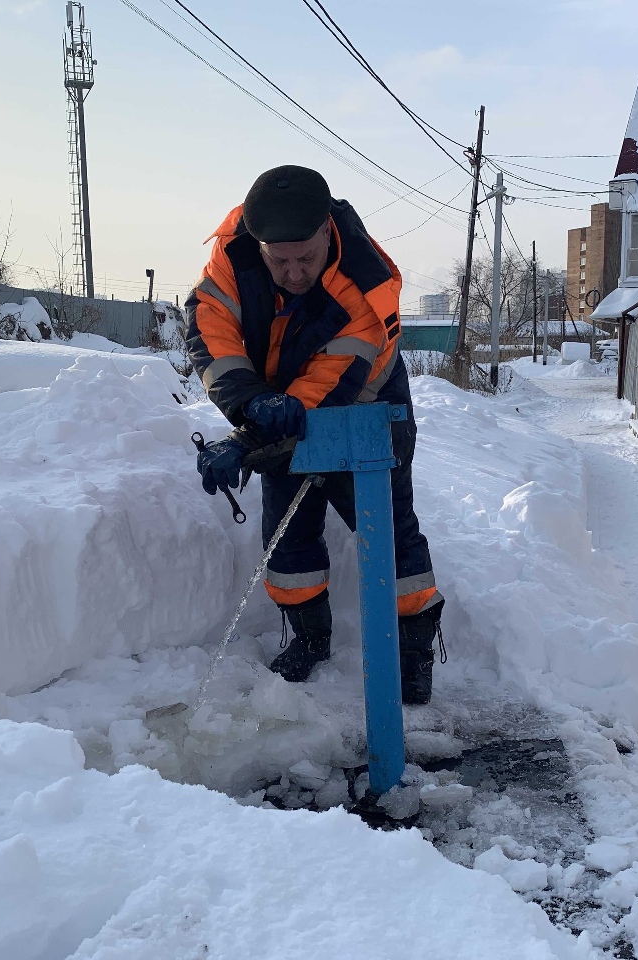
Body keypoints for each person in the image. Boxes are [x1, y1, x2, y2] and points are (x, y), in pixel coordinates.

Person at [185, 164, 444, 705]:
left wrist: (246, 441)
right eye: (280, 261)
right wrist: (252, 403)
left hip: (369, 403)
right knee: (287, 528)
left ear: (327, 230)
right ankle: (308, 637)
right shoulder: (231, 257)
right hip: (275, 397)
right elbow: (214, 337)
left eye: (306, 258)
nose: (295, 272)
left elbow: (328, 393)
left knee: (389, 531)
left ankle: (414, 652)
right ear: (258, 245)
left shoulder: (367, 289)